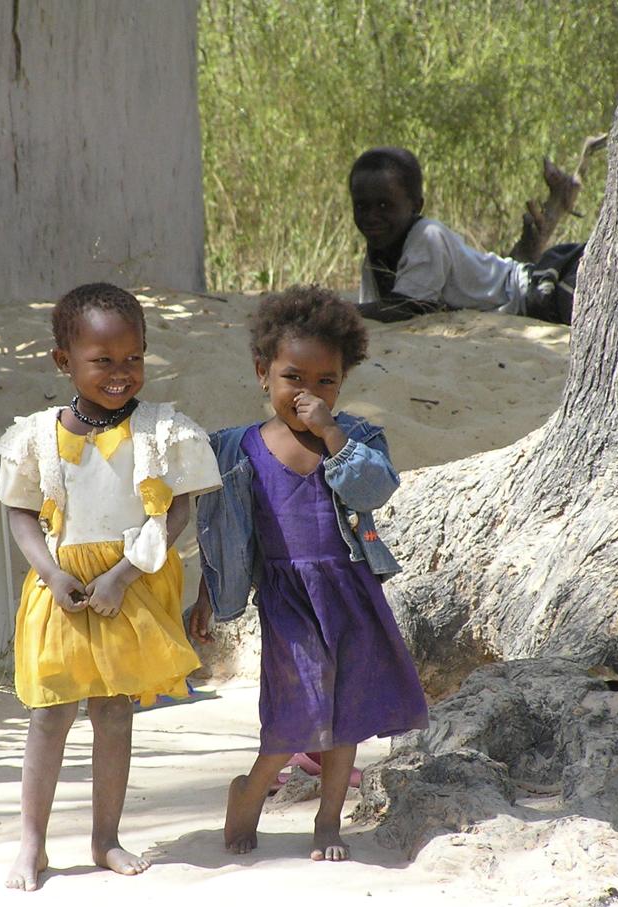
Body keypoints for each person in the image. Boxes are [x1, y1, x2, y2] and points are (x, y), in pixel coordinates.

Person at [0, 282, 221, 890]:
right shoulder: (36, 436)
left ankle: (106, 838)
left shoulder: (161, 431)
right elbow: (20, 512)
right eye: (102, 361)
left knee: (114, 711)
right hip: (60, 588)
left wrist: (123, 575)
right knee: (50, 714)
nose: (121, 373)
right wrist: (50, 572)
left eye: (133, 358)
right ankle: (32, 843)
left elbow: (175, 511)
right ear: (63, 361)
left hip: (131, 583)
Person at [189, 285, 429, 862]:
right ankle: (251, 790)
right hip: (288, 596)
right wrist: (207, 594)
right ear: (263, 373)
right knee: (295, 708)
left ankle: (328, 819)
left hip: (349, 590)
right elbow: (223, 532)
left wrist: (332, 434)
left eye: (326, 382)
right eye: (293, 378)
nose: (308, 394)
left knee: (345, 710)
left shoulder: (355, 440)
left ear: (342, 383)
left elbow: (374, 490)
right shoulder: (238, 448)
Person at [350, 146, 580, 325]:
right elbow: (376, 310)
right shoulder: (376, 253)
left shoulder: (427, 236)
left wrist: (339, 309)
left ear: (416, 206)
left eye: (384, 205)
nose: (371, 216)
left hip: (535, 291)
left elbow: (405, 308)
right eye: (361, 206)